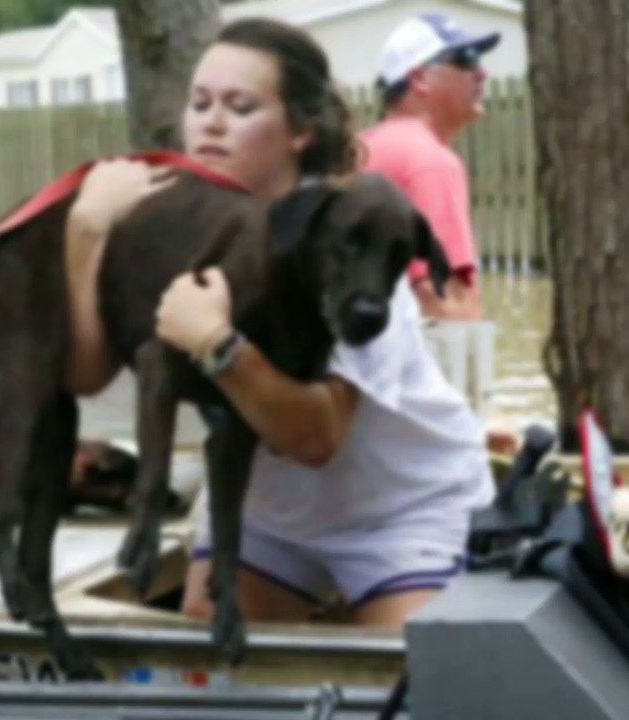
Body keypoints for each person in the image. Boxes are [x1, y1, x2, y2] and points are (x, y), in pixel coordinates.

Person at [65, 18, 495, 627]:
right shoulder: (176, 221)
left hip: (400, 512)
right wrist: (88, 227)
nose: (210, 122)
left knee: (407, 675)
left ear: (300, 131)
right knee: (216, 674)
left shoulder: (353, 237)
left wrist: (217, 343)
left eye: (240, 106)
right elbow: (84, 375)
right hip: (269, 516)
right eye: (200, 103)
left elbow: (316, 438)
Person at [361, 14, 501, 321]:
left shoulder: (364, 147)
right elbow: (441, 298)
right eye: (466, 59)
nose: (482, 72)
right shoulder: (429, 161)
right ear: (420, 79)